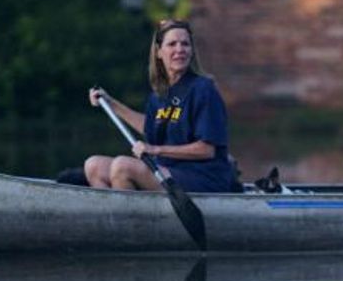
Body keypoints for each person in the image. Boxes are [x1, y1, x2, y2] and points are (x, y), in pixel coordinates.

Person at [85, 18, 237, 192]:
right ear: (159, 52)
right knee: (94, 166)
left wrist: (155, 149)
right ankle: (116, 215)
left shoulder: (204, 89)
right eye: (172, 44)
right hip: (168, 171)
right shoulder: (159, 94)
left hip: (203, 177)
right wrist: (111, 103)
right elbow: (151, 127)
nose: (179, 49)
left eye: (185, 44)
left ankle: (130, 217)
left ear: (192, 51)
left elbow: (207, 150)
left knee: (122, 166)